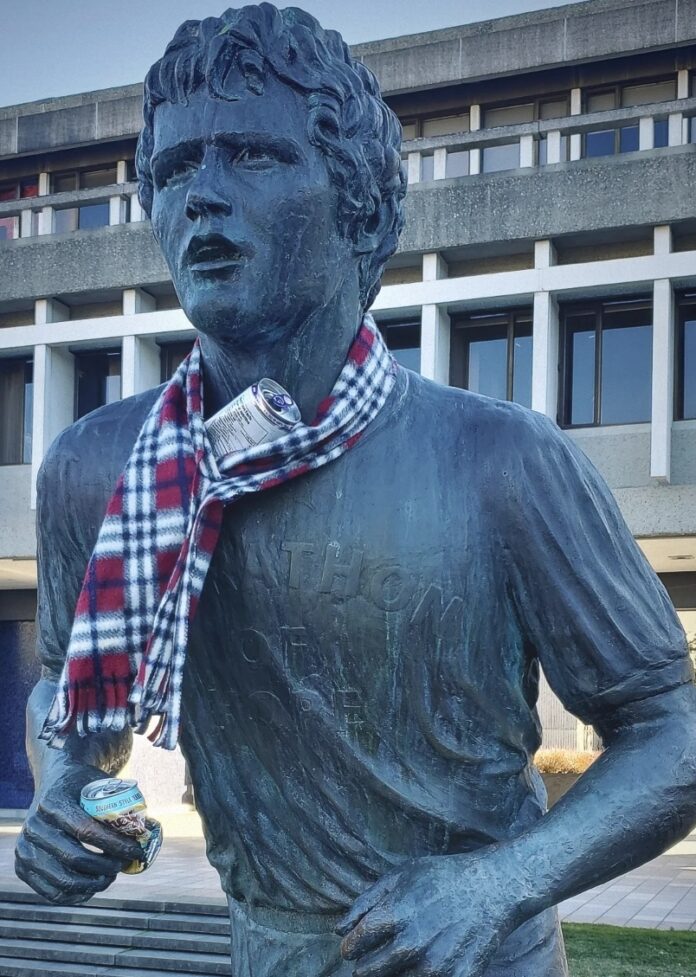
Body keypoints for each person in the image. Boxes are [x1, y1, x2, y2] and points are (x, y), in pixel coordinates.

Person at [15, 6, 696, 976]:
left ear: (363, 208)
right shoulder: (103, 470)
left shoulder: (503, 460)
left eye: (253, 156)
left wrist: (501, 882)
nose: (202, 195)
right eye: (174, 168)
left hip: (476, 955)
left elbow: (671, 730)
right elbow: (73, 694)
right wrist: (66, 782)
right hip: (270, 949)